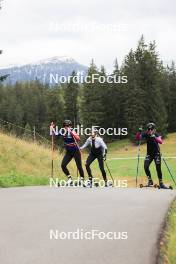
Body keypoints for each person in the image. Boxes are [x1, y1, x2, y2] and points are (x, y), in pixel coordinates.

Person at [136, 122, 167, 189]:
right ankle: (150, 181)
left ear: (154, 129)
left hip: (157, 154)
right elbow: (138, 138)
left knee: (158, 168)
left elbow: (160, 141)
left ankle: (161, 183)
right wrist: (139, 131)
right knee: (145, 166)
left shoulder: (156, 134)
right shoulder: (146, 134)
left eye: (151, 129)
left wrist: (155, 137)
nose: (150, 130)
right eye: (149, 129)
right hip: (149, 154)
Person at [59, 120, 85, 186]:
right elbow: (55, 134)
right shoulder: (62, 131)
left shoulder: (72, 131)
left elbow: (78, 139)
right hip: (69, 152)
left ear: (70, 126)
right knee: (63, 165)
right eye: (65, 126)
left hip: (75, 151)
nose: (66, 127)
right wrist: (52, 128)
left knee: (79, 166)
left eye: (68, 126)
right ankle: (70, 179)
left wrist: (73, 134)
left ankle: (82, 179)